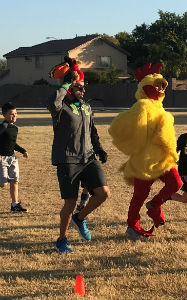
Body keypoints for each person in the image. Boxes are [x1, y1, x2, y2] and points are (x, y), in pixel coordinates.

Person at [109, 62, 182, 240]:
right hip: (144, 162)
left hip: (163, 159)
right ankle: (132, 226)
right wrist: (139, 138)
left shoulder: (158, 107)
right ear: (147, 86)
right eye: (156, 84)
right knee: (139, 196)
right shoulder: (142, 106)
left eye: (162, 85)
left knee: (176, 183)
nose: (160, 88)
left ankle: (155, 205)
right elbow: (119, 126)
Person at [48, 57, 110, 253]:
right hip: (68, 159)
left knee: (103, 193)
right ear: (69, 89)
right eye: (79, 88)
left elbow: (92, 131)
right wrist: (66, 82)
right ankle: (62, 240)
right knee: (70, 202)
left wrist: (99, 148)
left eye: (84, 87)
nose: (83, 91)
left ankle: (80, 218)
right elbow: (52, 102)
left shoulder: (86, 107)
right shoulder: (60, 107)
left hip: (88, 157)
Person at [0, 102, 28, 213]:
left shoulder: (15, 128)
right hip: (2, 159)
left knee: (14, 181)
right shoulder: (2, 127)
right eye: (12, 114)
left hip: (12, 158)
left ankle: (15, 205)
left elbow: (13, 144)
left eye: (16, 113)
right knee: (2, 184)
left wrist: (23, 151)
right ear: (4, 115)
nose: (15, 116)